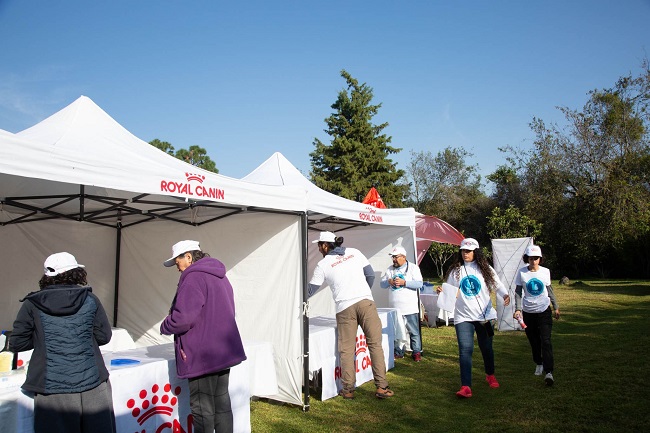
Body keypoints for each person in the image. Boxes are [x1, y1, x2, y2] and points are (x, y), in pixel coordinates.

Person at [9, 252, 116, 433]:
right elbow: (104, 336)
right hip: (93, 383)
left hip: (52, 388)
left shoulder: (32, 304)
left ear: (47, 276)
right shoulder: (90, 299)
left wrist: (43, 341)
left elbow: (17, 343)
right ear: (76, 273)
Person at [160, 240, 246, 433]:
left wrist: (166, 324)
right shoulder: (220, 276)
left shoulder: (193, 278)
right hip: (222, 350)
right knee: (221, 404)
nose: (177, 268)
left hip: (202, 354)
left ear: (188, 257)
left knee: (202, 409)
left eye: (177, 262)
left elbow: (183, 318)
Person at [308, 231, 394, 399]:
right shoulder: (355, 252)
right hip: (365, 303)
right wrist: (362, 294)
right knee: (375, 345)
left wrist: (293, 297)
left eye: (319, 245)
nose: (318, 248)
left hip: (344, 307)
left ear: (326, 245)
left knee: (347, 350)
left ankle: (348, 390)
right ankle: (382, 387)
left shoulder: (323, 264)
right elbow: (370, 275)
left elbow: (310, 289)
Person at [440, 238, 511, 398]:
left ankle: (490, 374)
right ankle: (466, 386)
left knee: (486, 348)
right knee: (465, 350)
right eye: (463, 250)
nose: (465, 253)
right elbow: (452, 292)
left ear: (476, 252)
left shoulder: (485, 269)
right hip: (463, 317)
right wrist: (444, 293)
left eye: (469, 251)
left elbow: (497, 285)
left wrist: (505, 294)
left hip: (485, 317)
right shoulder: (455, 271)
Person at [513, 244, 560, 386]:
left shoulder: (545, 272)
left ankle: (549, 372)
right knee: (534, 341)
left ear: (540, 259)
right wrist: (518, 309)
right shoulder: (522, 273)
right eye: (531, 258)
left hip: (544, 311)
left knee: (546, 341)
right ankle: (538, 363)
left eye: (536, 258)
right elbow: (518, 292)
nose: (533, 261)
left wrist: (555, 307)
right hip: (528, 312)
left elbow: (549, 290)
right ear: (527, 259)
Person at [380, 246, 424, 362]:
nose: (393, 259)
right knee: (397, 331)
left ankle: (417, 352)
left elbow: (419, 284)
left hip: (409, 307)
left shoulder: (413, 268)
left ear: (403, 257)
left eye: (396, 257)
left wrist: (405, 282)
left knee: (413, 331)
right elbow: (382, 285)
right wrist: (388, 281)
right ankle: (399, 351)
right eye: (392, 257)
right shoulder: (390, 269)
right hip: (394, 308)